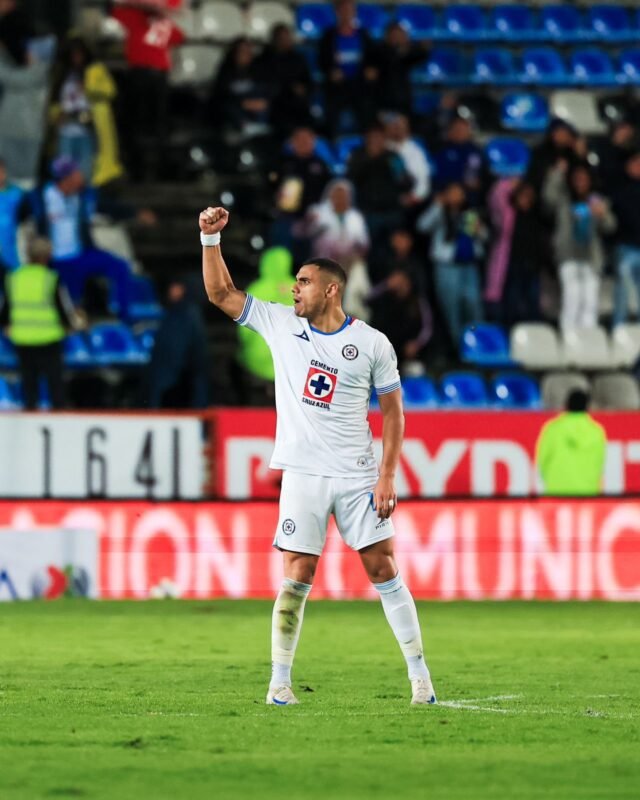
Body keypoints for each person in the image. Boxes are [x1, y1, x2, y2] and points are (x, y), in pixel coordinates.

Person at [200, 204, 436, 707]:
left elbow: (393, 413)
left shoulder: (372, 343)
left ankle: (420, 679)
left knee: (383, 571)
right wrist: (209, 240)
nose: (293, 288)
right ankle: (279, 684)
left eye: (303, 282)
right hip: (303, 474)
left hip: (356, 475)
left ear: (330, 289)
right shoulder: (279, 324)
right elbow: (221, 294)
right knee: (297, 573)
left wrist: (387, 477)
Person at [0, 236, 79, 409]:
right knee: (55, 383)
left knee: (29, 384)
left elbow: (5, 309)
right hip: (49, 338)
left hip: (22, 338)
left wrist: (6, 326)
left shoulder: (14, 278)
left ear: (28, 254)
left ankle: (30, 416)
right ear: (48, 255)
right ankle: (58, 418)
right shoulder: (51, 278)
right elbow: (63, 309)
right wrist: (72, 326)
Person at [542, 162, 616, 331]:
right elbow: (548, 198)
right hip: (569, 255)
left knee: (590, 300)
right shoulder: (564, 200)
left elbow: (610, 227)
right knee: (572, 297)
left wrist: (602, 214)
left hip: (591, 257)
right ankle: (570, 339)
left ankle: (588, 340)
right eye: (577, 179)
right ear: (571, 181)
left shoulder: (596, 201)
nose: (581, 183)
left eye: (584, 179)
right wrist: (557, 174)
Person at [49, 36, 124, 187]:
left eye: (79, 54)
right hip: (66, 130)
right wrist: (56, 116)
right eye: (73, 55)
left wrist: (88, 87)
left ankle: (86, 204)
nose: (76, 58)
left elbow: (110, 91)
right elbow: (54, 101)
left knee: (86, 172)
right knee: (64, 173)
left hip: (88, 128)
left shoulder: (95, 70)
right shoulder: (63, 75)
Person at [536, 389, 607, 496]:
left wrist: (551, 481)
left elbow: (542, 460)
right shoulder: (597, 432)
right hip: (588, 493)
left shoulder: (553, 429)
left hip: (556, 492)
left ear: (566, 405)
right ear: (587, 407)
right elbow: (599, 463)